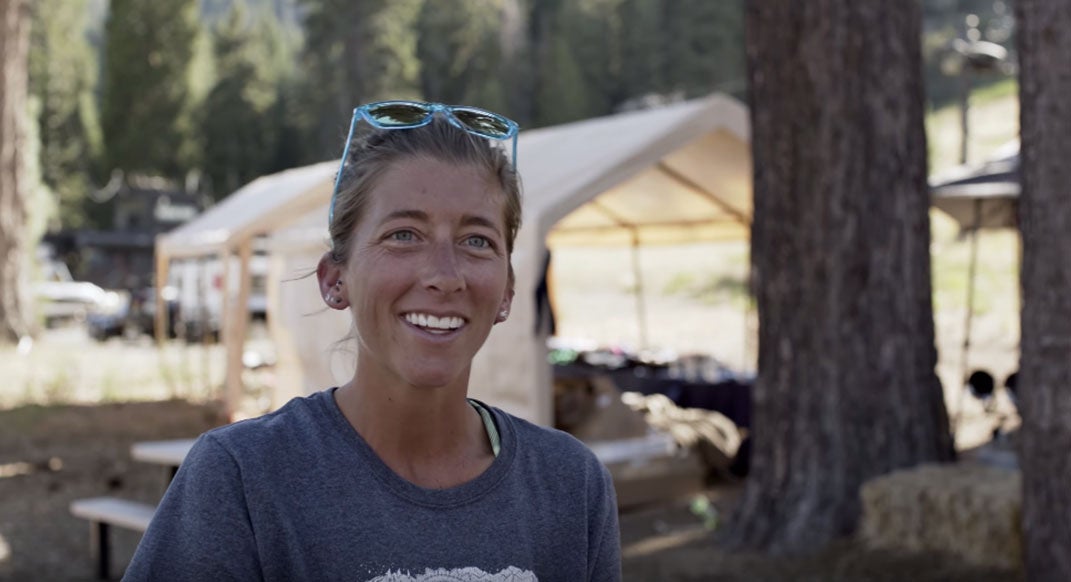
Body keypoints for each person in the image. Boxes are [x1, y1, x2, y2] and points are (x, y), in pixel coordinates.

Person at [124, 101, 622, 581]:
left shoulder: (570, 485)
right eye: (404, 235)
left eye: (477, 241)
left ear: (507, 291)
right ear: (334, 280)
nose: (445, 276)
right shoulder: (244, 479)